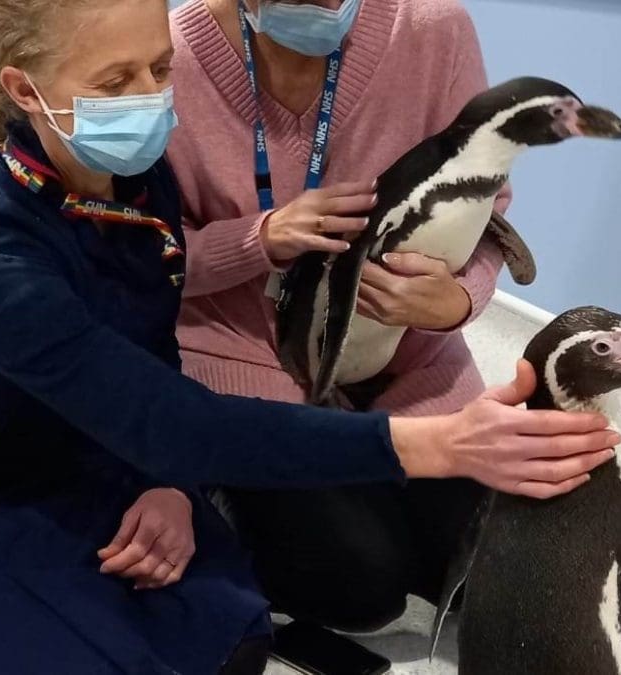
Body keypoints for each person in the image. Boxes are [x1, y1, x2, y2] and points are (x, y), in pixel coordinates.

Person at [0, 0, 618, 672]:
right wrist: (440, 444)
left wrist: (167, 482)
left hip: (99, 453)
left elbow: (153, 345)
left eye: (160, 70)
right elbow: (171, 416)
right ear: (26, 89)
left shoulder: (137, 184)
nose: (153, 100)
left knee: (232, 640)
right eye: (115, 82)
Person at [166, 0, 551, 632]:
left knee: (491, 570)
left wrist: (457, 299)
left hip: (402, 357)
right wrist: (256, 241)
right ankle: (222, 486)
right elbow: (139, 259)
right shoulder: (168, 59)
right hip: (246, 358)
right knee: (360, 588)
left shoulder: (434, 30)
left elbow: (489, 204)